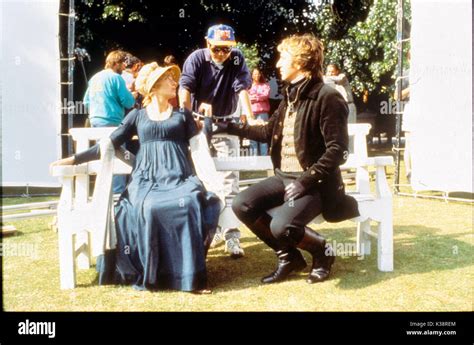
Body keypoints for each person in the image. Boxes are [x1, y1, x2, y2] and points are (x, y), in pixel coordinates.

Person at [51, 62, 224, 293]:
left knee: (189, 203)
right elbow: (109, 144)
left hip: (180, 177)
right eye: (168, 79)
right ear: (154, 87)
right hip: (146, 179)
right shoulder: (137, 116)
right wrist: (74, 160)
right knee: (148, 207)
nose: (175, 83)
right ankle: (156, 274)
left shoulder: (183, 115)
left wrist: (208, 122)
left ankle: (189, 277)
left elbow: (200, 145)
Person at [216, 34, 360, 284]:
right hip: (284, 178)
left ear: (301, 62)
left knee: (281, 226)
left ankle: (323, 253)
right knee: (242, 204)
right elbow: (267, 132)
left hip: (317, 185)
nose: (278, 63)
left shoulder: (327, 96)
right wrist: (229, 127)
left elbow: (338, 149)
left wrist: (305, 181)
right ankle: (289, 257)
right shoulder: (290, 97)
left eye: (284, 57)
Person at [179, 24, 253, 258]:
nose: (221, 53)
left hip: (226, 122)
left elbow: (242, 89)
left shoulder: (237, 59)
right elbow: (185, 88)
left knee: (230, 180)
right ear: (207, 43)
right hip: (200, 124)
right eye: (216, 48)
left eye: (226, 49)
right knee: (200, 178)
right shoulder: (196, 59)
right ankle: (208, 231)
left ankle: (232, 235)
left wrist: (250, 117)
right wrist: (186, 117)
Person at [83, 50, 136, 194]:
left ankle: (102, 192)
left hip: (95, 122)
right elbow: (128, 102)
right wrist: (133, 96)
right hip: (112, 123)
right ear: (116, 63)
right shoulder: (116, 78)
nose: (124, 68)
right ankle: (117, 194)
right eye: (123, 64)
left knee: (102, 157)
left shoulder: (95, 78)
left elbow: (86, 101)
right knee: (117, 159)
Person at [394, 51, 412, 183]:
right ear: (409, 58)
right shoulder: (404, 74)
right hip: (411, 108)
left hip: (427, 110)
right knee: (410, 143)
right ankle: (409, 172)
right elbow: (397, 96)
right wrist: (412, 88)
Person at [248, 68, 271, 156]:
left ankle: (264, 158)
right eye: (254, 74)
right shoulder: (248, 86)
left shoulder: (265, 85)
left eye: (258, 74)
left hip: (262, 113)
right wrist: (252, 98)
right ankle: (253, 160)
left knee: (262, 135)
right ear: (251, 75)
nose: (256, 75)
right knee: (252, 136)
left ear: (260, 75)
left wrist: (255, 98)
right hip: (251, 114)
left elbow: (265, 95)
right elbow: (246, 97)